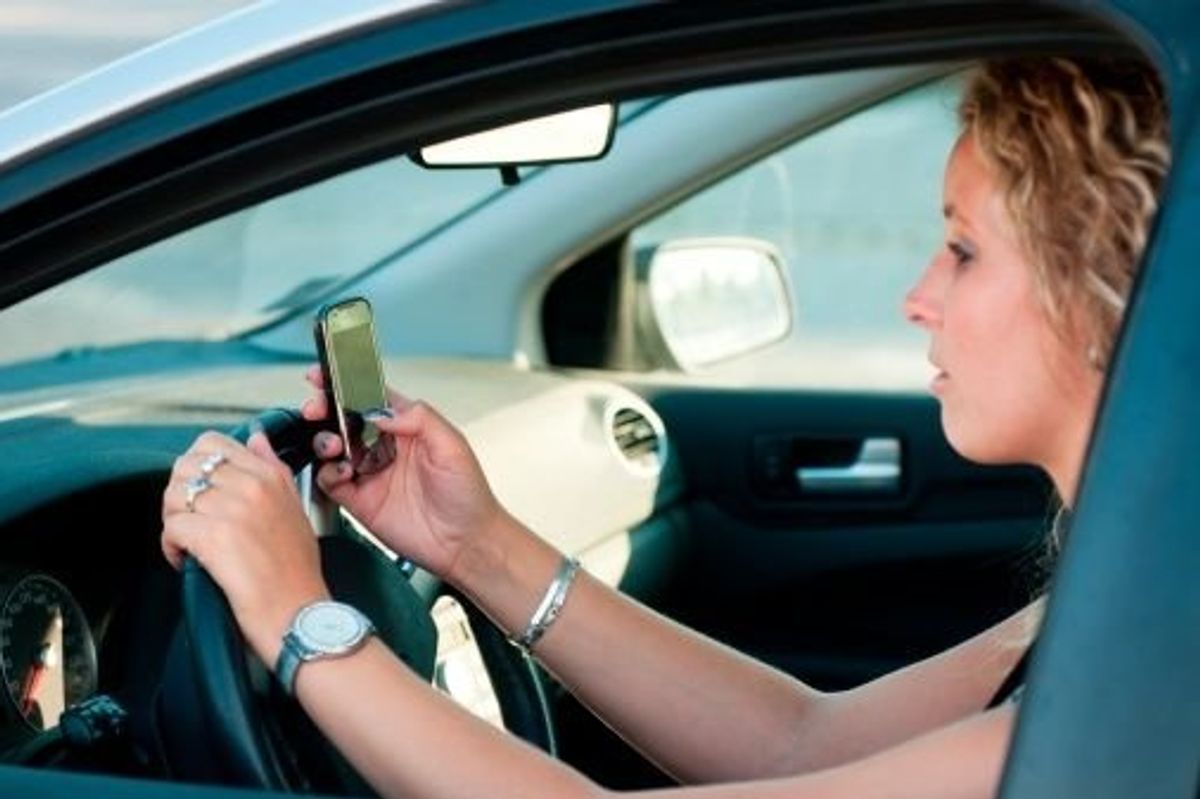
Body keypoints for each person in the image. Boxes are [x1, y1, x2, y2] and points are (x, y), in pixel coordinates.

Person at [160, 57, 1169, 799]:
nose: (918, 297)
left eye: (963, 250)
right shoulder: (1140, 596)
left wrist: (299, 618)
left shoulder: (1154, 683)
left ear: (1109, 291)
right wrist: (474, 544)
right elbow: (804, 746)